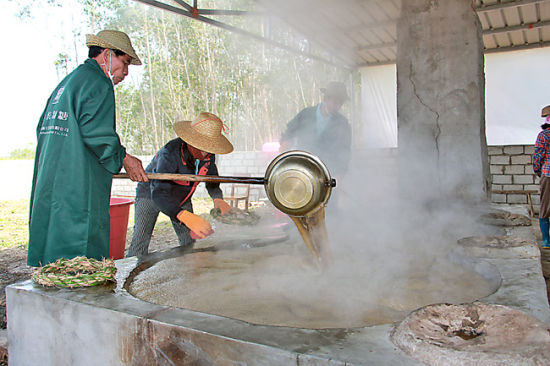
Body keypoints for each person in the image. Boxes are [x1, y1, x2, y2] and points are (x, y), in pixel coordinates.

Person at [27, 30, 148, 267]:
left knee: (54, 255)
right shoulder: (98, 82)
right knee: (79, 259)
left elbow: (42, 126)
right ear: (107, 54)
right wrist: (123, 157)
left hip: (52, 180)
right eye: (124, 63)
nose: (125, 72)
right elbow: (97, 133)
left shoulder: (68, 82)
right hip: (77, 183)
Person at [127, 112, 234, 257]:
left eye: (210, 148)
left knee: (189, 241)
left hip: (182, 197)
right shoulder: (170, 153)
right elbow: (159, 194)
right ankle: (131, 274)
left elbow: (212, 178)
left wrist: (217, 198)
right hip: (151, 195)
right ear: (191, 141)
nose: (207, 153)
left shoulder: (208, 154)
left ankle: (192, 273)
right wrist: (184, 216)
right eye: (203, 147)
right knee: (141, 239)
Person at [533, 105, 550, 249]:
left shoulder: (544, 135)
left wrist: (538, 170)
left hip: (548, 174)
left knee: (545, 206)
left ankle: (546, 240)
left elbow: (538, 156)